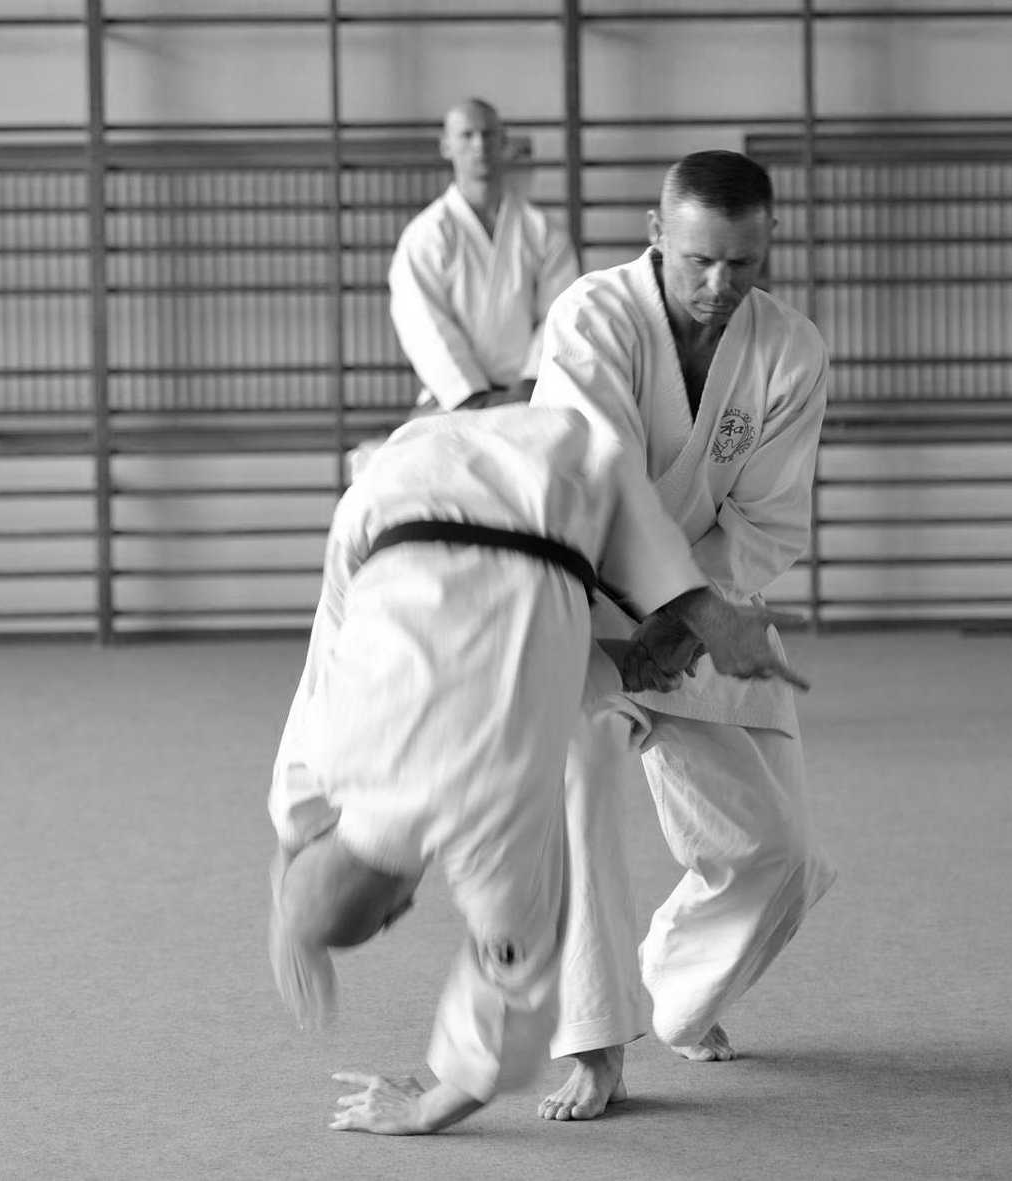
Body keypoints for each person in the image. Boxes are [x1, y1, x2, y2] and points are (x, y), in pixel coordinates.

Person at [267, 403, 808, 1135]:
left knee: (557, 656)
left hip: (559, 496)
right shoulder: (329, 749)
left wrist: (426, 1109)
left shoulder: (485, 839)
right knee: (376, 614)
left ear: (402, 908)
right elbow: (298, 815)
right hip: (400, 484)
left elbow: (507, 999)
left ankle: (691, 619)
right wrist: (291, 916)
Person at [529, 150, 836, 1121]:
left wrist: (689, 615)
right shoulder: (593, 317)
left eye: (742, 263)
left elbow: (767, 518)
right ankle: (590, 1047)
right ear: (657, 234)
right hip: (575, 606)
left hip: (704, 606)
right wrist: (677, 609)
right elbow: (599, 483)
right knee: (579, 817)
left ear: (767, 244)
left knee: (778, 851)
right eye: (699, 259)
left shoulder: (789, 349)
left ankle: (676, 992)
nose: (719, 284)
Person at [388, 97, 579, 415]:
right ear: (446, 146)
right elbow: (422, 321)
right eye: (467, 135)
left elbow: (561, 312)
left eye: (488, 134)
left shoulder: (543, 231)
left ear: (503, 143)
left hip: (532, 395)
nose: (479, 144)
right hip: (451, 399)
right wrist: (470, 395)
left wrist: (530, 383)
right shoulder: (426, 235)